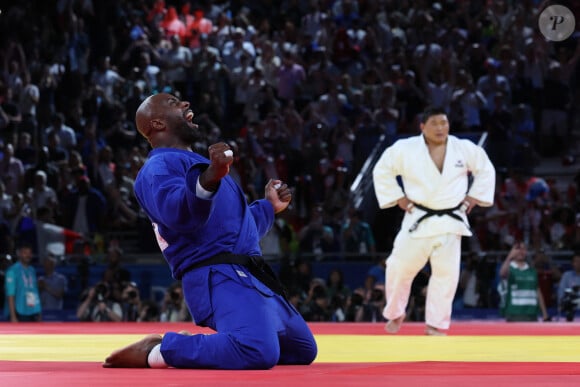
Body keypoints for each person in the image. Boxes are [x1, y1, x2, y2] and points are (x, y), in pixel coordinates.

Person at [103, 93, 317, 369]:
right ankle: (159, 350)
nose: (185, 104)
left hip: (251, 275)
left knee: (302, 350)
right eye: (173, 102)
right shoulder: (158, 168)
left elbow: (236, 227)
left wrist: (268, 207)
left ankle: (203, 344)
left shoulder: (204, 169)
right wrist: (208, 180)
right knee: (257, 350)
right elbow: (178, 214)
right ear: (156, 123)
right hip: (216, 274)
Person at [372, 106, 495, 336]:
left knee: (445, 274)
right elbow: (382, 170)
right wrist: (398, 198)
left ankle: (436, 323)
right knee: (398, 267)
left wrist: (473, 198)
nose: (440, 128)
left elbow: (486, 170)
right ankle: (396, 312)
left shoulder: (463, 148)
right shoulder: (405, 149)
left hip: (451, 220)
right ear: (422, 127)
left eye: (444, 123)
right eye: (435, 123)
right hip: (418, 217)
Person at [498, 242, 549, 322]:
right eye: (518, 249)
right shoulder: (509, 268)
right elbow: (502, 274)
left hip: (532, 314)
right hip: (514, 314)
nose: (520, 251)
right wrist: (509, 257)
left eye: (523, 249)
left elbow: (538, 292)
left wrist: (545, 313)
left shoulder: (532, 271)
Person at [4, 243, 42, 322]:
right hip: (19, 311)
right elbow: (10, 294)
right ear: (19, 254)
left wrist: (39, 312)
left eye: (29, 253)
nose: (27, 255)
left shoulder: (32, 270)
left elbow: (35, 292)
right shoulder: (12, 271)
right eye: (25, 253)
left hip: (32, 310)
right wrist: (13, 316)